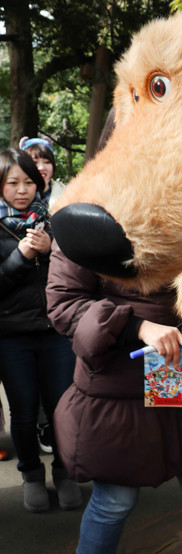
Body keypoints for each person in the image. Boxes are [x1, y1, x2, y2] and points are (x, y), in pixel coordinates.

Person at [46, 241, 182, 554]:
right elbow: (64, 306)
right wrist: (136, 326)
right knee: (114, 499)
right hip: (119, 386)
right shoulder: (84, 222)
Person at [0, 148, 82, 512]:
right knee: (23, 412)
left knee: (63, 407)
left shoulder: (56, 217)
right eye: (12, 182)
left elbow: (78, 272)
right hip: (11, 335)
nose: (22, 190)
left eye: (29, 182)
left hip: (55, 332)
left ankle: (65, 473)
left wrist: (51, 251)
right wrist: (21, 257)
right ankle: (31, 475)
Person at [19, 135, 66, 453]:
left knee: (59, 384)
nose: (41, 167)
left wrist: (51, 249)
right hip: (19, 317)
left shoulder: (65, 198)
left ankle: (58, 437)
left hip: (57, 307)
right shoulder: (10, 211)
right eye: (34, 161)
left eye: (45, 160)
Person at [19, 136, 66, 212]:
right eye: (34, 162)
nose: (41, 167)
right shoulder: (13, 194)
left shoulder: (67, 193)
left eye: (47, 162)